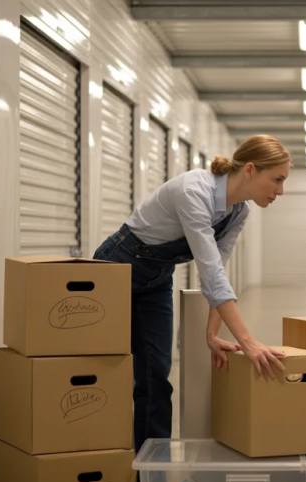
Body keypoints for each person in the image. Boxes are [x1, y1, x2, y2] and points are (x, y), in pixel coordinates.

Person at [93, 134, 290, 453]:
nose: (281, 190)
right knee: (94, 371)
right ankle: (87, 458)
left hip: (155, 280)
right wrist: (248, 343)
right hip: (116, 268)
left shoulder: (238, 212)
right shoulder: (194, 191)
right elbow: (210, 272)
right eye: (277, 179)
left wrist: (212, 335)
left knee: (156, 379)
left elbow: (217, 274)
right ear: (251, 170)